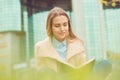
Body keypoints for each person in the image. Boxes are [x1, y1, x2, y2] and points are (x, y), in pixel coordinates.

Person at [34, 7, 86, 73]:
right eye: (57, 26)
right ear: (50, 27)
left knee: (102, 64)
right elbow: (41, 74)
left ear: (69, 25)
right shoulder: (40, 47)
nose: (62, 29)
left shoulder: (78, 44)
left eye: (65, 25)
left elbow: (84, 70)